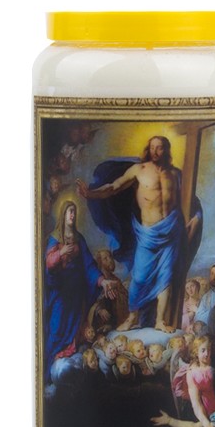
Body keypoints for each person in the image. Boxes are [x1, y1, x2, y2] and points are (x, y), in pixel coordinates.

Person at [77, 136, 184, 333]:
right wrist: (90, 194)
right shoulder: (139, 170)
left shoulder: (175, 174)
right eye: (152, 147)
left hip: (170, 232)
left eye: (159, 148)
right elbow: (114, 187)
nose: (155, 152)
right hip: (148, 234)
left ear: (166, 150)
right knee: (139, 277)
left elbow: (181, 202)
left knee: (166, 276)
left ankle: (160, 321)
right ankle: (132, 317)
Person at [44, 200, 119, 378]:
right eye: (69, 211)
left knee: (74, 329)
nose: (72, 215)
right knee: (56, 329)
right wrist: (61, 253)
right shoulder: (55, 237)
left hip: (76, 294)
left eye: (74, 211)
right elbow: (48, 264)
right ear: (63, 214)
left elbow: (89, 266)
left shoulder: (79, 239)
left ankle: (67, 366)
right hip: (61, 293)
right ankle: (47, 373)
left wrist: (102, 281)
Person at [172, 335, 215, 427]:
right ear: (196, 353)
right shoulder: (192, 372)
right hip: (207, 411)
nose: (207, 354)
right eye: (203, 350)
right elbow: (196, 403)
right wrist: (206, 423)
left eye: (209, 350)